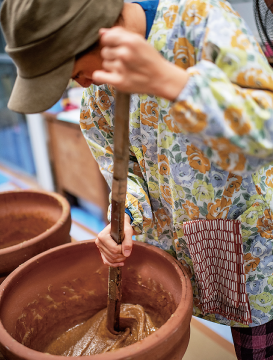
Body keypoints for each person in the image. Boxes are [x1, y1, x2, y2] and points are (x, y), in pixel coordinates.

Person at [2, 0, 273, 358]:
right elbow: (126, 171)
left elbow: (265, 131)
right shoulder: (98, 97)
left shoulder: (198, 22)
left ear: (100, 34)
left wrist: (170, 82)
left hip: (250, 239)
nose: (81, 84)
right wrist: (126, 217)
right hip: (179, 241)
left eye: (77, 71)